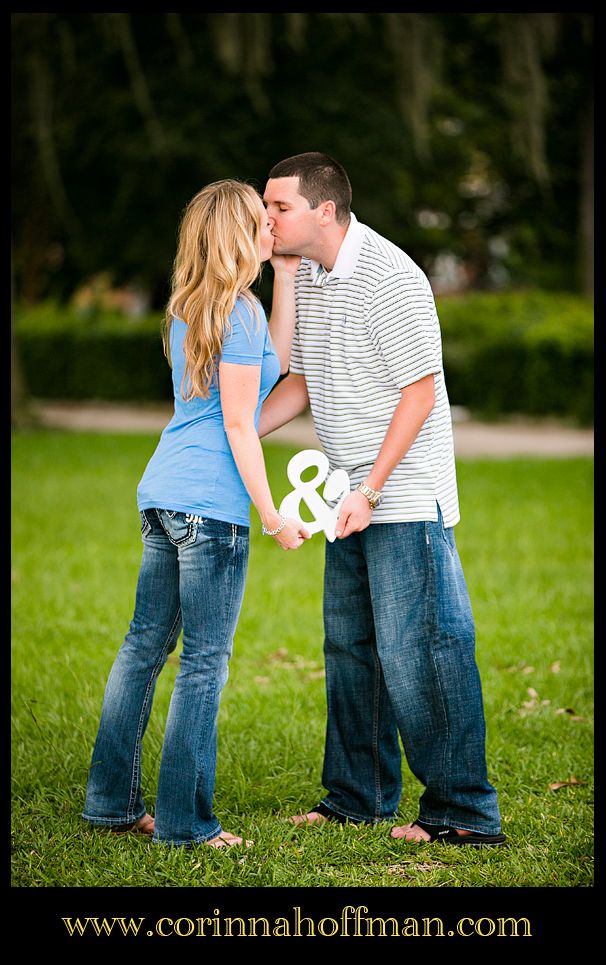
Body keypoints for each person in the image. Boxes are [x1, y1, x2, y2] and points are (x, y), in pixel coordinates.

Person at [259, 152, 506, 846]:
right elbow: (300, 382)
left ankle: (462, 811)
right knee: (352, 650)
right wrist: (232, 433)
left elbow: (420, 393)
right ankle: (358, 796)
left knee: (423, 650)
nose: (267, 218)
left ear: (325, 210)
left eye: (279, 207)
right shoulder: (307, 275)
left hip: (399, 494)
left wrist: (371, 488)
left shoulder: (391, 276)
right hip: (344, 495)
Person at [82, 179, 309, 848]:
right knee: (204, 662)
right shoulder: (236, 313)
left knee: (143, 648)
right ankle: (184, 824)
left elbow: (274, 372)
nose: (273, 224)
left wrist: (286, 278)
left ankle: (109, 804)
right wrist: (271, 515)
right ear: (242, 233)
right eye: (262, 219)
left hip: (164, 496)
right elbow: (240, 426)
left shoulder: (197, 308)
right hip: (210, 510)